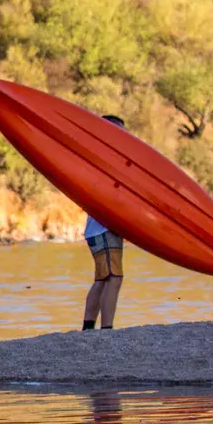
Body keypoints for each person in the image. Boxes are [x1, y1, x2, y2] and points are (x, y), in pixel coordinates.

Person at [83, 114, 127, 330]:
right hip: (104, 227)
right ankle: (107, 329)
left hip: (96, 229)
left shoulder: (97, 160)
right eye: (118, 131)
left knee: (102, 279)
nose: (123, 136)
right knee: (114, 277)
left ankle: (88, 327)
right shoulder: (104, 161)